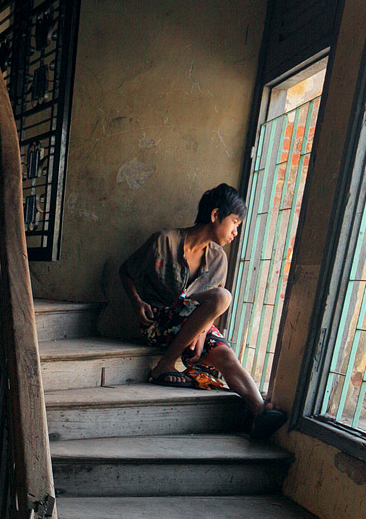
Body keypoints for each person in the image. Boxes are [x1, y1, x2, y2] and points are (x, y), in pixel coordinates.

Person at [120, 183, 287, 440]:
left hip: (192, 330)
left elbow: (209, 309)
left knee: (226, 357)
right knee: (224, 295)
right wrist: (136, 302)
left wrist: (200, 332)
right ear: (215, 215)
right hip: (159, 323)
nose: (235, 232)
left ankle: (258, 411)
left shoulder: (219, 258)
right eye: (234, 223)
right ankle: (165, 364)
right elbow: (126, 271)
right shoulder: (164, 241)